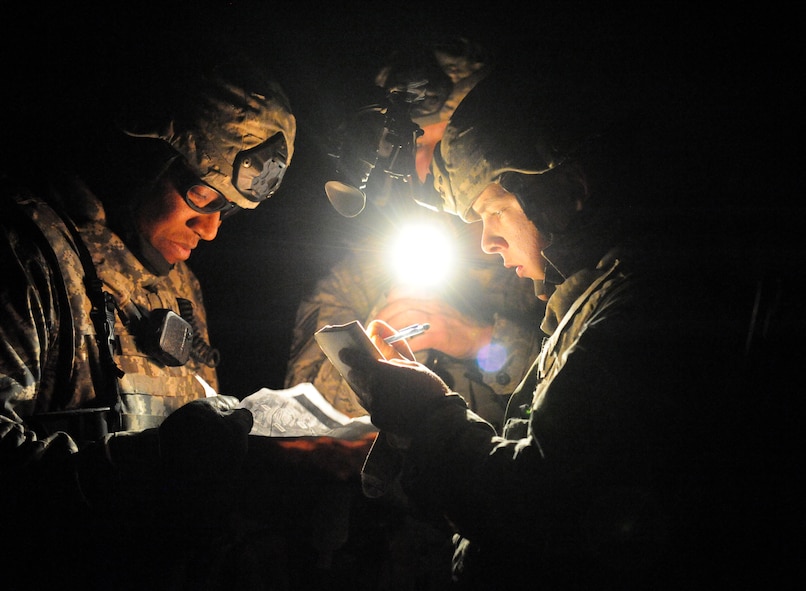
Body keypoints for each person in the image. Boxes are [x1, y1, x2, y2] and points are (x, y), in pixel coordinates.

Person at [338, 70, 790, 589]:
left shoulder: (649, 307)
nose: (487, 242)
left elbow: (542, 504)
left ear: (567, 193)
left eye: (494, 212)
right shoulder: (609, 291)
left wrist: (430, 416)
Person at [0, 46, 299, 589]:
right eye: (203, 195)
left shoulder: (180, 286)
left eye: (227, 209)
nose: (210, 229)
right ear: (141, 160)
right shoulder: (29, 255)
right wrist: (146, 467)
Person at [286, 37, 541, 433]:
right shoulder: (360, 277)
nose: (425, 170)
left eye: (442, 150)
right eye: (410, 148)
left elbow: (578, 393)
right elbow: (304, 421)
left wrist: (483, 341)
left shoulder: (536, 265)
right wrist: (373, 356)